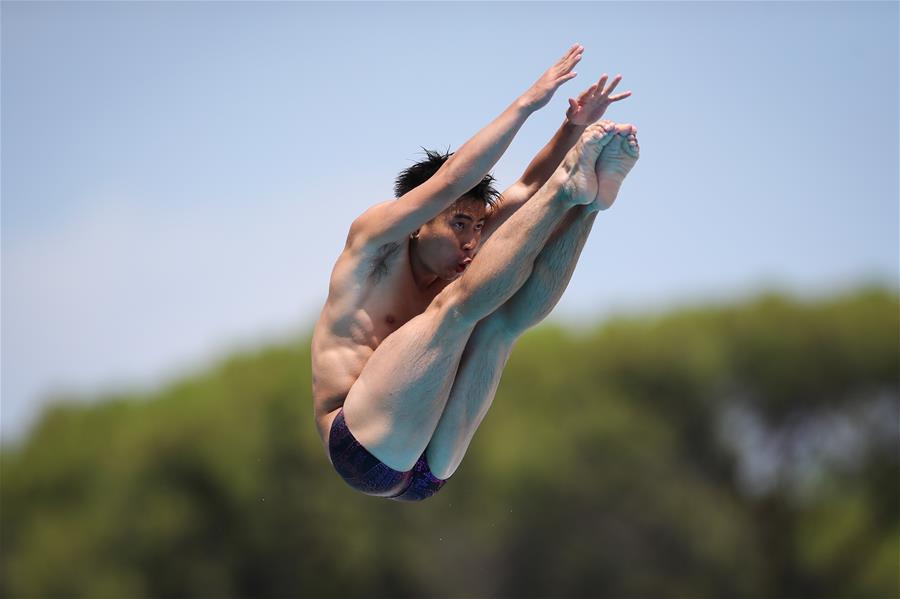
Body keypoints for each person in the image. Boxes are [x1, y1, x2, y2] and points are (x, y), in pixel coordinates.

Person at [311, 44, 640, 501]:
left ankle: (590, 204)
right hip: (362, 447)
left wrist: (573, 125)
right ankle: (568, 189)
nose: (471, 242)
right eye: (458, 224)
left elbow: (525, 187)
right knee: (456, 307)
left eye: (477, 226)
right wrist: (529, 102)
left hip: (429, 472)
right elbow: (450, 182)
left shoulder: (463, 258)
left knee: (501, 327)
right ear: (416, 223)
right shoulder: (373, 247)